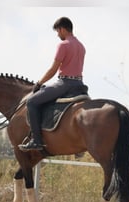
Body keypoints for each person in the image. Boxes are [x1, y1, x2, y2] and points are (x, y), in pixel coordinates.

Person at [19, 17, 87, 151]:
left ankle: (37, 141)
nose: (57, 35)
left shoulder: (63, 45)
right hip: (79, 84)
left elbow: (53, 69)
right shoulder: (81, 46)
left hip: (65, 83)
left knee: (31, 102)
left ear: (62, 29)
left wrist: (39, 83)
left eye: (57, 31)